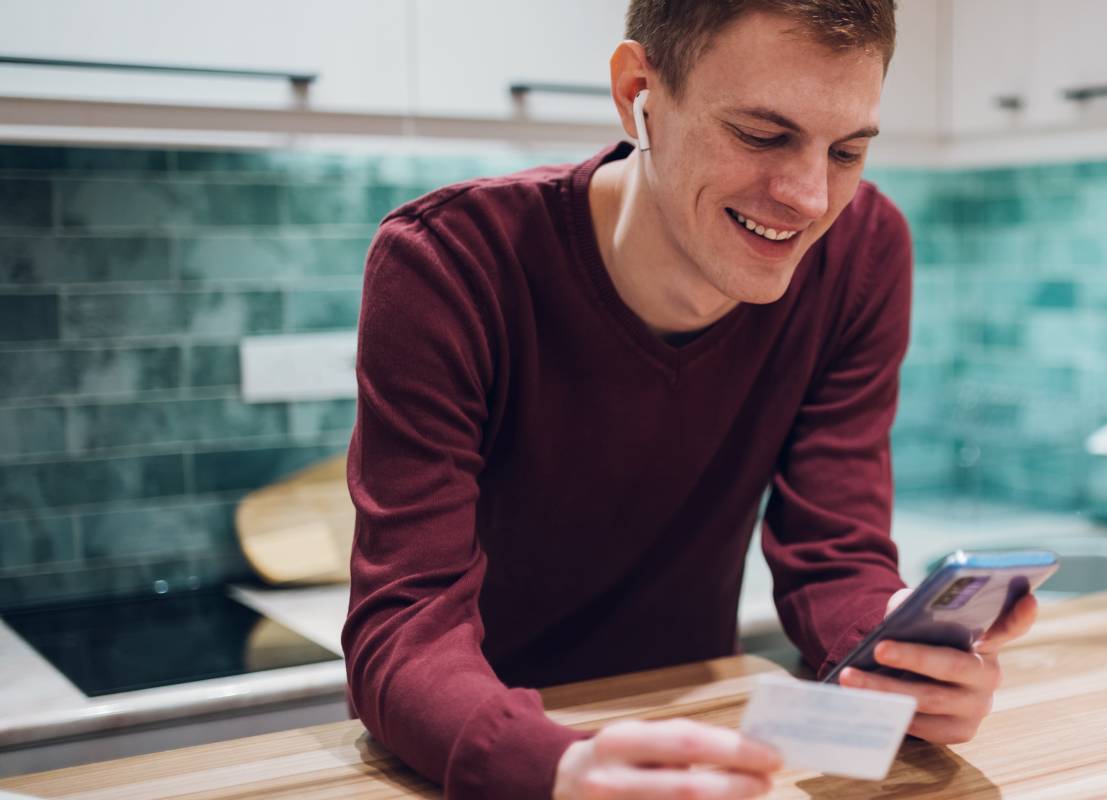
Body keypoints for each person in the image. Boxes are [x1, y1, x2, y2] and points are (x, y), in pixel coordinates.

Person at [341, 2, 1040, 797]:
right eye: (761, 134)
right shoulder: (448, 264)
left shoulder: (864, 254)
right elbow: (404, 627)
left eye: (847, 150)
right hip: (486, 749)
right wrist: (555, 765)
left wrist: (901, 652)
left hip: (703, 731)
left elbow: (835, 553)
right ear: (638, 90)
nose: (810, 198)